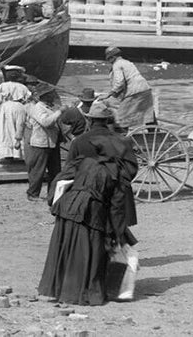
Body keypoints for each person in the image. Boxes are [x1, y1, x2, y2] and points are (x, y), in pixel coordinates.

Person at [51, 103, 140, 303]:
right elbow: (132, 170)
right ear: (108, 121)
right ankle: (108, 284)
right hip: (116, 194)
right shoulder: (122, 141)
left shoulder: (79, 142)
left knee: (89, 240)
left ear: (90, 120)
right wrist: (112, 178)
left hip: (87, 198)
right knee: (114, 237)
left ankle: (83, 284)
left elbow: (68, 172)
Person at [23, 85, 63, 202]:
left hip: (52, 142)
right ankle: (33, 194)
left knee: (55, 171)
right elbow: (46, 122)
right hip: (40, 144)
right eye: (51, 94)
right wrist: (59, 112)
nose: (54, 96)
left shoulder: (50, 107)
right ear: (45, 96)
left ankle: (53, 194)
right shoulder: (38, 108)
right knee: (37, 171)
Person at [102, 46, 156, 130]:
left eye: (109, 59)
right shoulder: (127, 62)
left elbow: (119, 82)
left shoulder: (117, 65)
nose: (109, 62)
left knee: (122, 115)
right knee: (147, 113)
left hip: (135, 91)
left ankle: (121, 137)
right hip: (145, 89)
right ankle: (155, 134)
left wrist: (109, 94)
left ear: (112, 57)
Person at [0, 66, 32, 163]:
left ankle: (6, 154)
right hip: (20, 107)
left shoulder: (3, 85)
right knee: (19, 129)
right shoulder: (23, 87)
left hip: (7, 106)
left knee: (6, 130)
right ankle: (19, 154)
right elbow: (28, 98)